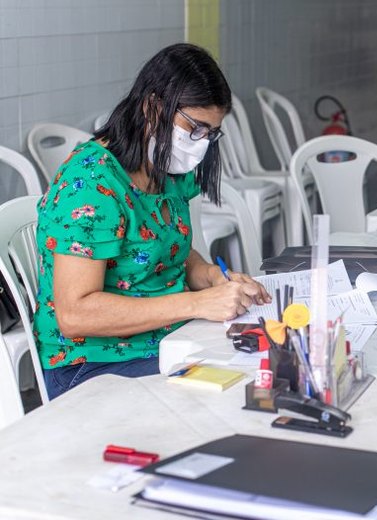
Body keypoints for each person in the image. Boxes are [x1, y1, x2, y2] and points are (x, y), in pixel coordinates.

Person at [33, 43, 270, 400]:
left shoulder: (167, 167)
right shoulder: (91, 183)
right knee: (235, 396)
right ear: (153, 105)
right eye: (195, 128)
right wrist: (196, 303)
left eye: (211, 133)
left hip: (166, 341)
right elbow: (75, 313)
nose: (202, 144)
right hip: (92, 365)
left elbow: (169, 247)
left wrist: (208, 276)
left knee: (264, 371)